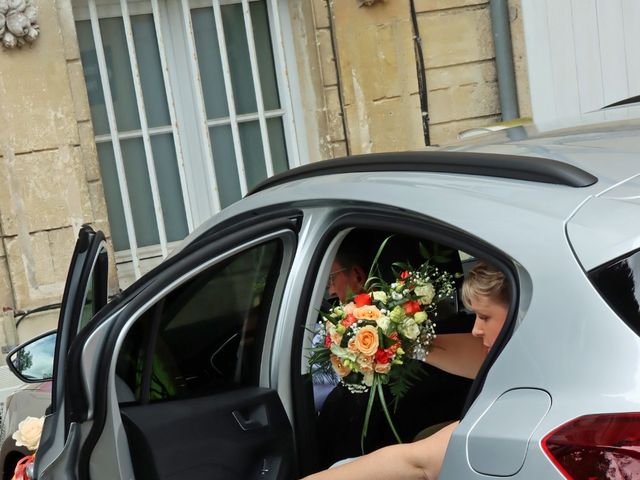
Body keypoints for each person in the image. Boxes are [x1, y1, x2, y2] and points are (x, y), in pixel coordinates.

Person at [304, 261, 510, 480]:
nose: (475, 330)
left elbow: (420, 465)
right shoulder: (508, 363)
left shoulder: (520, 390)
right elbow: (475, 357)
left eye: (485, 317)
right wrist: (395, 340)